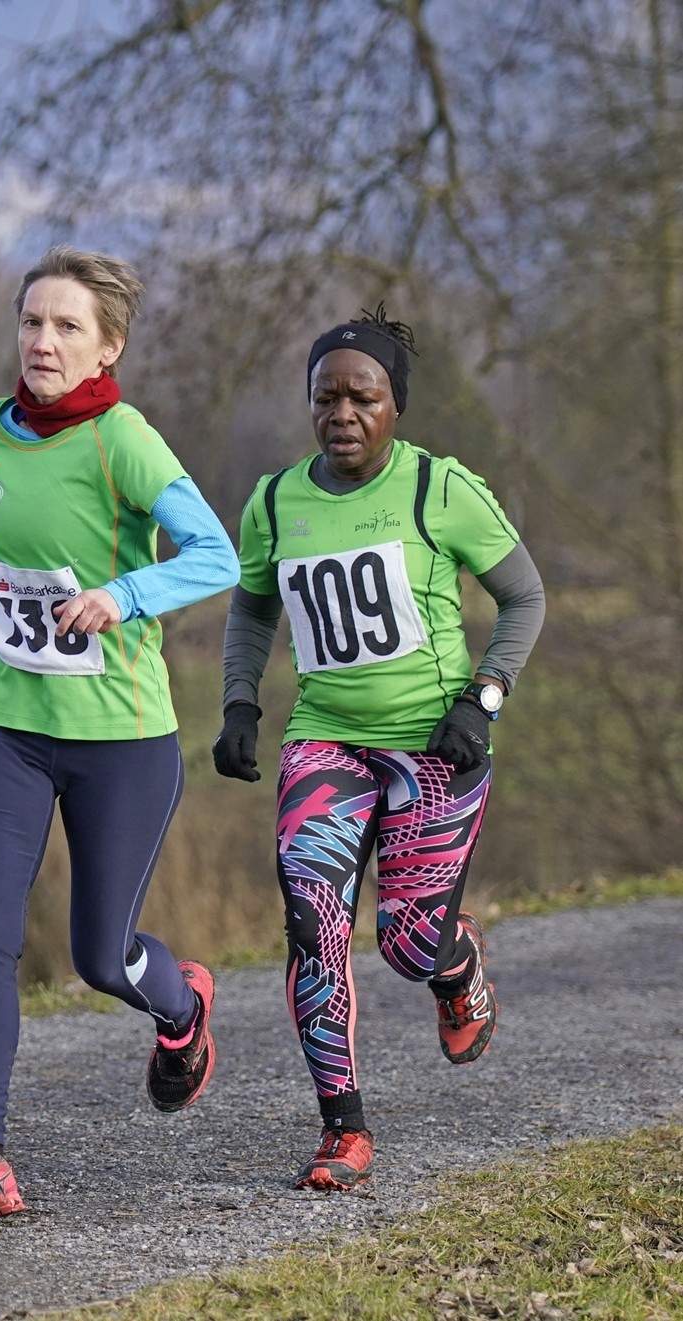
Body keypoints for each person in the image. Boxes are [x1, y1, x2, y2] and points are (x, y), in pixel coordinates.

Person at [0, 247, 239, 1225]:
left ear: (107, 348)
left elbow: (214, 552)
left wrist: (123, 596)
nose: (43, 340)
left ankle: (181, 1006)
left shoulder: (122, 442)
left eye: (66, 327)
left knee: (102, 957)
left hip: (122, 736)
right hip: (8, 722)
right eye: (32, 322)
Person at [211, 306, 545, 1192]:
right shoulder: (276, 500)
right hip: (325, 737)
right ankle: (342, 1128)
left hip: (436, 743)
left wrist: (484, 698)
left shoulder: (440, 489)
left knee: (404, 945)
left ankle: (453, 958)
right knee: (310, 916)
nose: (342, 414)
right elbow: (250, 607)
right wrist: (239, 702)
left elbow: (525, 598)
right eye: (326, 397)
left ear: (395, 404)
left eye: (363, 397)